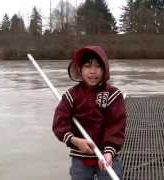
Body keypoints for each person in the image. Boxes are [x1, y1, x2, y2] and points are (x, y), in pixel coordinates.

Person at [52, 45, 127, 180]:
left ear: (105, 69)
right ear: (80, 70)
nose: (93, 71)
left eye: (98, 66)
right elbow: (59, 124)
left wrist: (109, 152)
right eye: (87, 66)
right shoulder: (71, 95)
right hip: (80, 156)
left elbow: (116, 126)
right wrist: (74, 140)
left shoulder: (113, 95)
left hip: (107, 155)